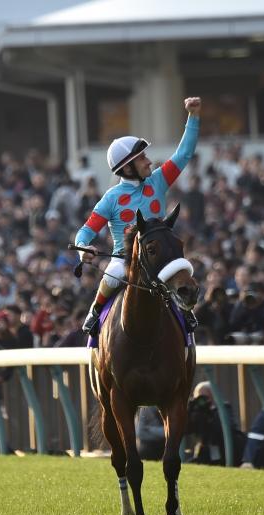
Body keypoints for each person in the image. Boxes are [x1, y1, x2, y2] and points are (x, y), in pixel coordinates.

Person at [75, 97, 202, 336]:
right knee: (114, 275)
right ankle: (96, 311)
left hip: (159, 257)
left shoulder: (158, 180)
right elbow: (85, 231)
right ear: (127, 167)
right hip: (125, 260)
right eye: (142, 158)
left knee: (181, 275)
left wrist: (193, 117)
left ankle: (185, 315)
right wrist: (83, 247)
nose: (149, 161)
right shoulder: (111, 198)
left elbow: (184, 154)